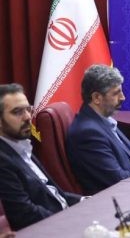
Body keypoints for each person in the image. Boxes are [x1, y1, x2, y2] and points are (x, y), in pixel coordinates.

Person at [67, 65, 130, 195]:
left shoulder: (104, 121)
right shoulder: (87, 133)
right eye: (116, 93)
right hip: (118, 198)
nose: (123, 97)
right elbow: (117, 180)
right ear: (96, 98)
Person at [0, 84, 82, 230]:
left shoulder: (22, 146)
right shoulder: (3, 160)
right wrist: (71, 219)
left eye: (28, 109)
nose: (28, 117)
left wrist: (84, 201)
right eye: (17, 112)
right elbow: (24, 215)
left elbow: (55, 196)